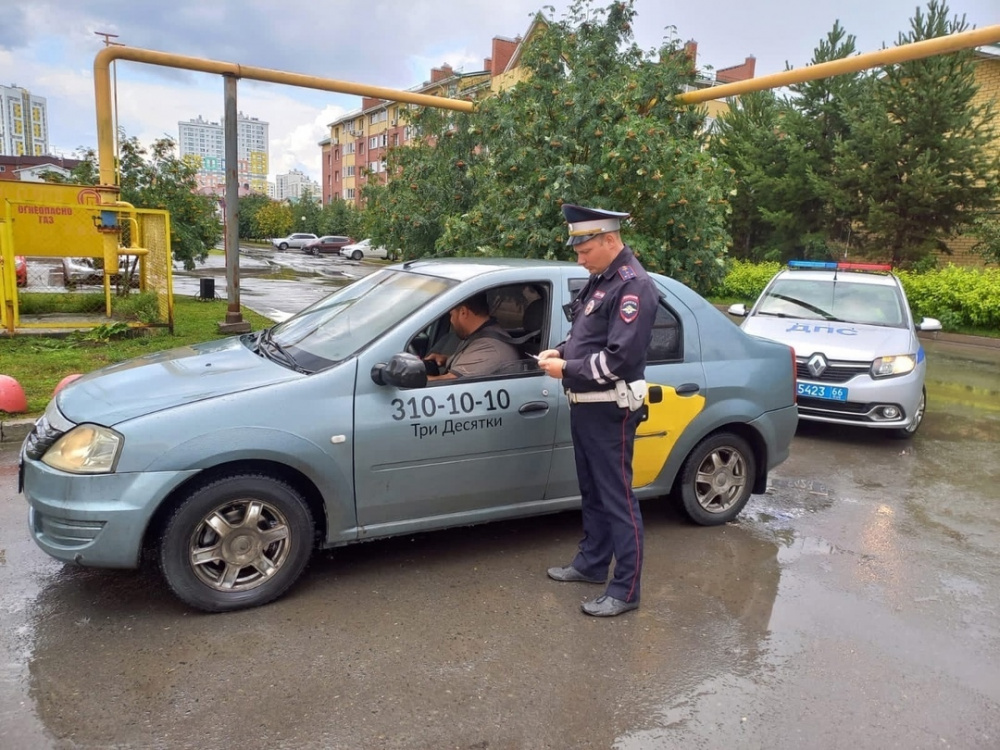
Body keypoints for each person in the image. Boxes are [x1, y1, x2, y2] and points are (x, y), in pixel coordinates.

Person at [536, 203, 658, 617]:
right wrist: (562, 351)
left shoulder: (633, 287)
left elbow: (619, 359)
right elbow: (586, 335)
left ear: (609, 240)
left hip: (611, 409)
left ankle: (625, 589)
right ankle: (591, 564)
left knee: (617, 498)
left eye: (585, 250)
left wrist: (566, 368)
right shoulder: (602, 280)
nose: (580, 259)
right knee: (593, 492)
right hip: (586, 406)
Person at [424, 292, 522, 381]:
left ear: (463, 312)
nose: (451, 320)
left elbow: (447, 382)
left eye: (451, 315)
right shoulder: (481, 335)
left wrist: (415, 380)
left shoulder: (489, 348)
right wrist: (446, 359)